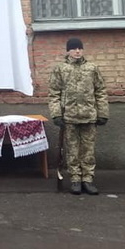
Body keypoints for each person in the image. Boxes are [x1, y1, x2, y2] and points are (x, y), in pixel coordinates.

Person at [48, 38, 109, 196]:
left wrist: (103, 113)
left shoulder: (92, 68)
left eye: (79, 48)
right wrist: (56, 114)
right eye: (74, 48)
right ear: (68, 51)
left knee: (88, 150)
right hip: (69, 116)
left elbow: (100, 91)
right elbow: (54, 93)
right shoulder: (60, 69)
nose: (77, 51)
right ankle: (75, 179)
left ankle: (88, 179)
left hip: (89, 116)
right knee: (72, 150)